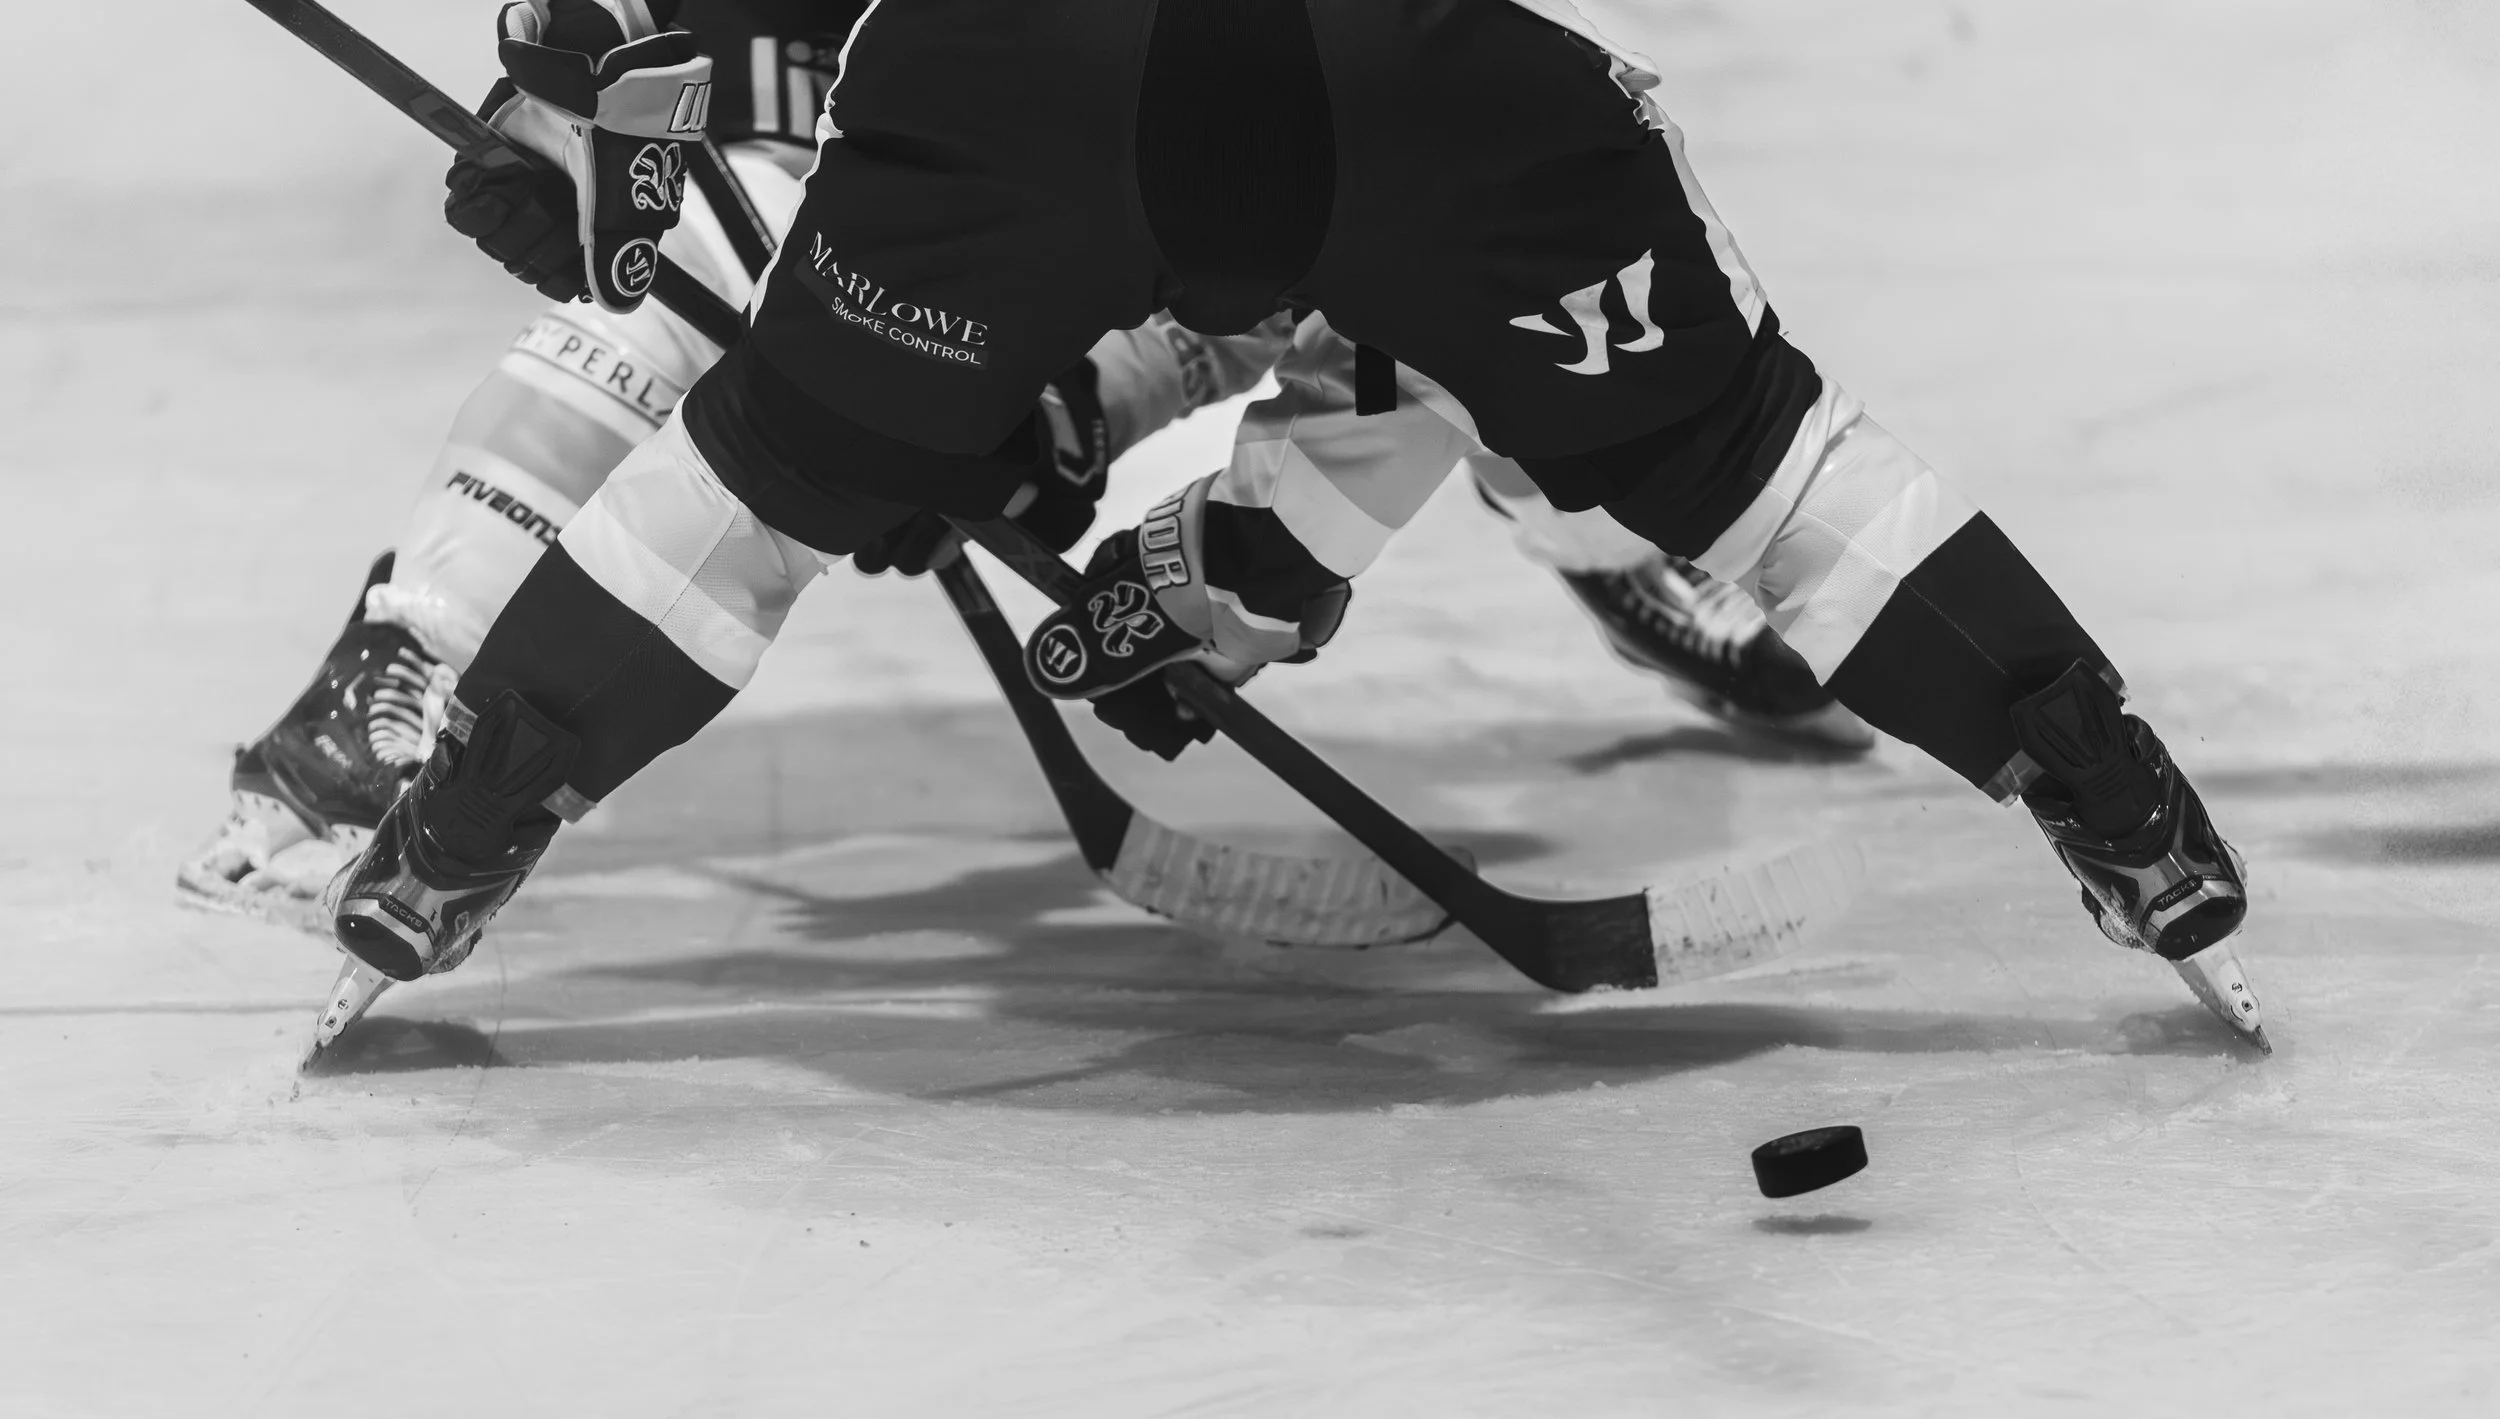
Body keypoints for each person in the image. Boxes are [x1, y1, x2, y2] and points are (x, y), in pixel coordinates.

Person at [320, 0, 2261, 1042]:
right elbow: (1375, 257)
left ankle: (455, 820)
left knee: (758, 472)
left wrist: (592, 87)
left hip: (1013, 81)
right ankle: (2096, 768)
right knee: (1740, 441)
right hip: (1406, 73)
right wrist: (1249, 535)